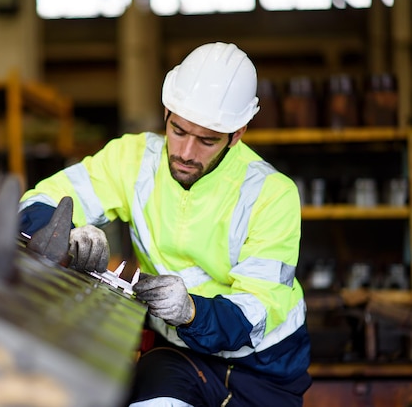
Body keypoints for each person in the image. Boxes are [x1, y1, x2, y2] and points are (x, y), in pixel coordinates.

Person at [18, 42, 311, 407]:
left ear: (237, 135)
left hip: (265, 368)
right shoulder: (134, 158)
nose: (187, 153)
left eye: (207, 140)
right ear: (166, 112)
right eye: (179, 130)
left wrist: (191, 311)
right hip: (178, 353)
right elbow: (40, 201)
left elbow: (256, 311)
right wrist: (68, 233)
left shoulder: (272, 194)